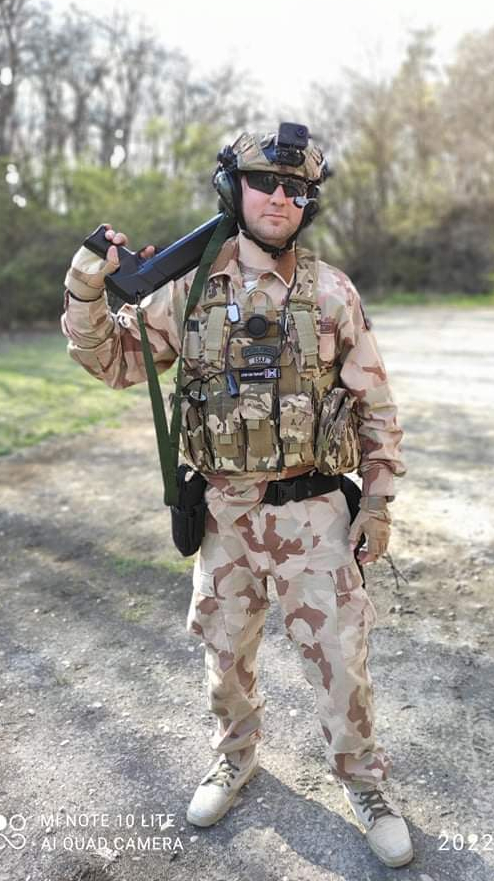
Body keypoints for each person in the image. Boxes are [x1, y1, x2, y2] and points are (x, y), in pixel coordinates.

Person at [60, 123, 411, 868]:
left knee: (341, 660)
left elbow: (375, 405)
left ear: (308, 203)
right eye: (264, 183)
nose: (279, 198)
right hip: (223, 515)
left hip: (315, 515)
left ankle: (364, 783)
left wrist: (377, 502)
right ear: (234, 189)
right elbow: (113, 362)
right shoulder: (186, 291)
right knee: (224, 656)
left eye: (295, 189)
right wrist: (86, 287)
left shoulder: (331, 292)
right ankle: (234, 756)